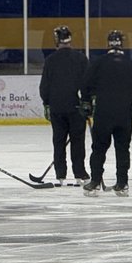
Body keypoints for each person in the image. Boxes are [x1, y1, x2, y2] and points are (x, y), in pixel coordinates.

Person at [81, 30, 132, 196]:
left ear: (108, 44)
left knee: (98, 149)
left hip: (104, 114)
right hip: (123, 115)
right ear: (122, 44)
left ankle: (95, 182)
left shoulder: (99, 63)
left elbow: (86, 84)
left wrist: (86, 102)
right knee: (123, 149)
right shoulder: (131, 64)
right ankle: (122, 183)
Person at [39, 25, 90, 182]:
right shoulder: (81, 58)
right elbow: (87, 83)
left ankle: (60, 175)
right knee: (77, 142)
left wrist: (47, 103)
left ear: (57, 40)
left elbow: (44, 86)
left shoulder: (50, 60)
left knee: (59, 141)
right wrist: (87, 102)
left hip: (57, 108)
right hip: (76, 107)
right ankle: (80, 174)